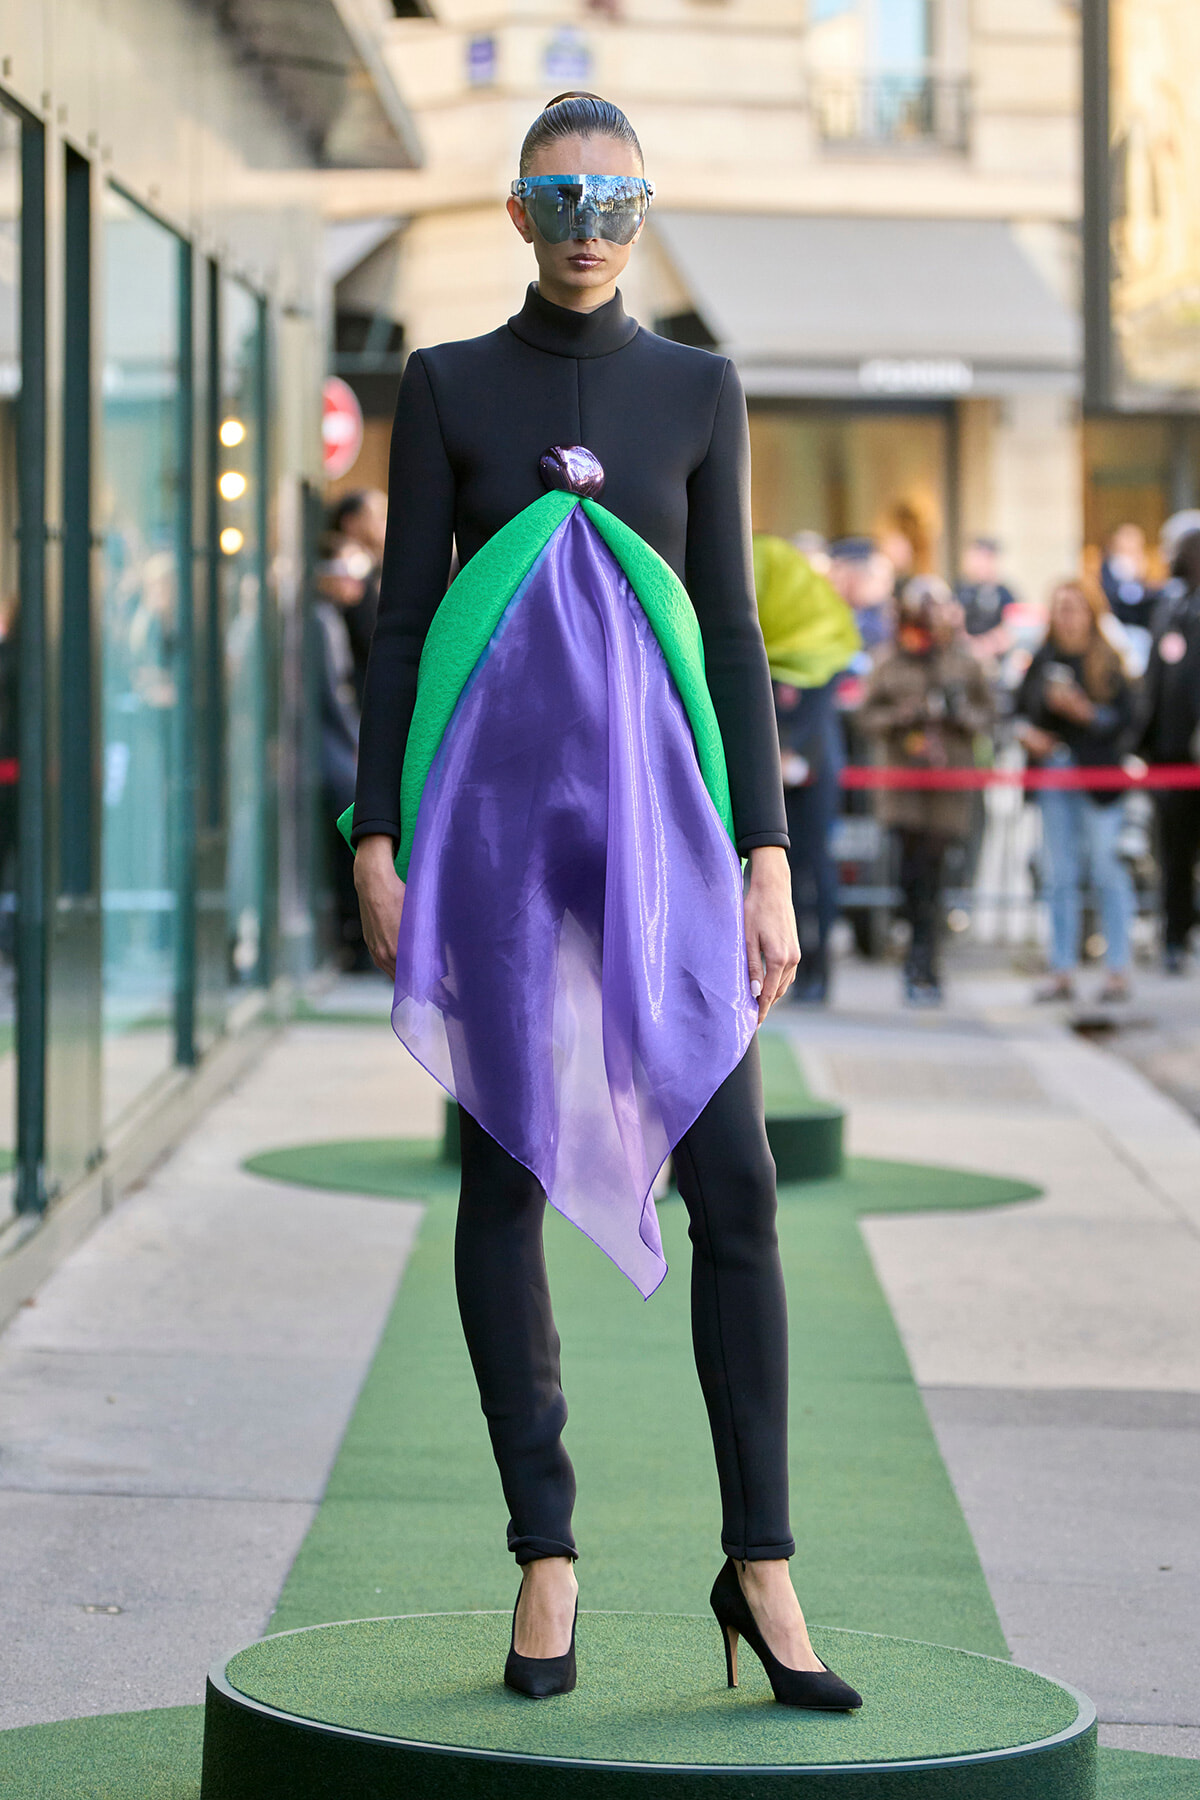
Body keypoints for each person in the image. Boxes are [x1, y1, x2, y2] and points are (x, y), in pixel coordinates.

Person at [348, 93, 860, 1711]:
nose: (587, 225)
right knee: (502, 1193)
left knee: (741, 1189)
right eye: (559, 196)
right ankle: (545, 1552)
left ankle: (761, 1564)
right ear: (515, 212)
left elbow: (729, 640)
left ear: (644, 210)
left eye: (614, 198)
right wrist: (374, 832)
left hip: (672, 852)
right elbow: (395, 626)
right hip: (492, 855)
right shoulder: (444, 389)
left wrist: (767, 857)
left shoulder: (699, 390)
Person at [859, 577, 994, 1005]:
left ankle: (928, 961)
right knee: (909, 875)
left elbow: (989, 715)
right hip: (903, 786)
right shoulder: (888, 660)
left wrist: (960, 714)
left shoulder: (964, 662)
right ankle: (913, 960)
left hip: (947, 785)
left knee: (936, 877)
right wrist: (901, 716)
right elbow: (866, 718)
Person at [1017, 578, 1137, 1003]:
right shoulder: (1042, 657)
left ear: (1091, 613)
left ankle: (1117, 968)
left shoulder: (1109, 659)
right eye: (1061, 607)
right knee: (1059, 873)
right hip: (1054, 769)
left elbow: (1128, 721)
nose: (1067, 616)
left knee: (1107, 868)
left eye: (1075, 608)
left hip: (1100, 777)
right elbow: (1017, 710)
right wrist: (1029, 735)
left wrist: (1086, 713)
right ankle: (1062, 967)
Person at [754, 533, 860, 1004]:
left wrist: (790, 751)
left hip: (810, 766)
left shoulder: (821, 627)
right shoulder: (763, 629)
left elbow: (817, 706)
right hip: (772, 768)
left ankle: (818, 969)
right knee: (783, 870)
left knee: (814, 864)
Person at [1139, 529, 1200, 973]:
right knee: (1174, 852)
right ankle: (1174, 935)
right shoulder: (1170, 607)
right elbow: (1156, 679)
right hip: (1172, 756)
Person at [313, 533, 371, 969]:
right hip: (328, 747)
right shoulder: (321, 622)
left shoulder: (330, 619)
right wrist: (358, 744)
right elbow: (333, 695)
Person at [329, 488, 387, 703]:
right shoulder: (346, 567)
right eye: (378, 515)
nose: (386, 522)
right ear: (351, 522)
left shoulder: (373, 567)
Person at [955, 535, 1018, 665]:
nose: (981, 563)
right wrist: (970, 644)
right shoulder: (959, 591)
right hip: (965, 655)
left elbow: (1013, 627)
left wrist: (989, 644)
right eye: (977, 558)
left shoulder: (1004, 593)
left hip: (997, 657)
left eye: (986, 558)